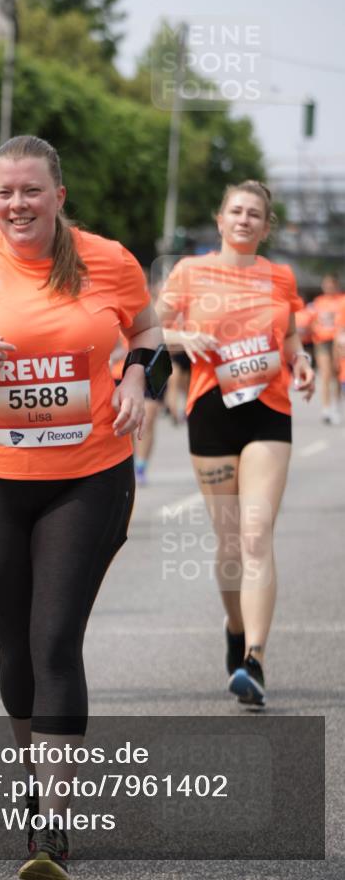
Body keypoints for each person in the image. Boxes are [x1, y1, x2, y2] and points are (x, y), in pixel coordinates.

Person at [0, 135, 162, 877]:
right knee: (14, 645)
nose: (17, 204)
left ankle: (52, 825)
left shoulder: (109, 259)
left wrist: (136, 377)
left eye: (31, 191)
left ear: (58, 196)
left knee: (54, 641)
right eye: (4, 192)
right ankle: (36, 781)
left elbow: (148, 333)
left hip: (89, 475)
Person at [157, 180, 315, 708]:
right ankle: (235, 625)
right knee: (228, 543)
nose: (245, 219)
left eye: (255, 214)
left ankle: (255, 658)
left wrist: (301, 359)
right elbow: (151, 329)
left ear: (266, 228)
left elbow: (288, 335)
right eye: (237, 211)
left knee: (255, 534)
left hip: (268, 410)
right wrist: (185, 337)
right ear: (220, 220)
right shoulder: (189, 272)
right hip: (211, 411)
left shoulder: (280, 276)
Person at [311, 274, 342, 424]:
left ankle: (336, 406)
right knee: (325, 374)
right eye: (326, 284)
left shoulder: (342, 301)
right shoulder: (318, 302)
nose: (328, 287)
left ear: (336, 285)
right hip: (322, 340)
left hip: (338, 342)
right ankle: (326, 408)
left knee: (337, 375)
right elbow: (311, 320)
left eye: (331, 284)